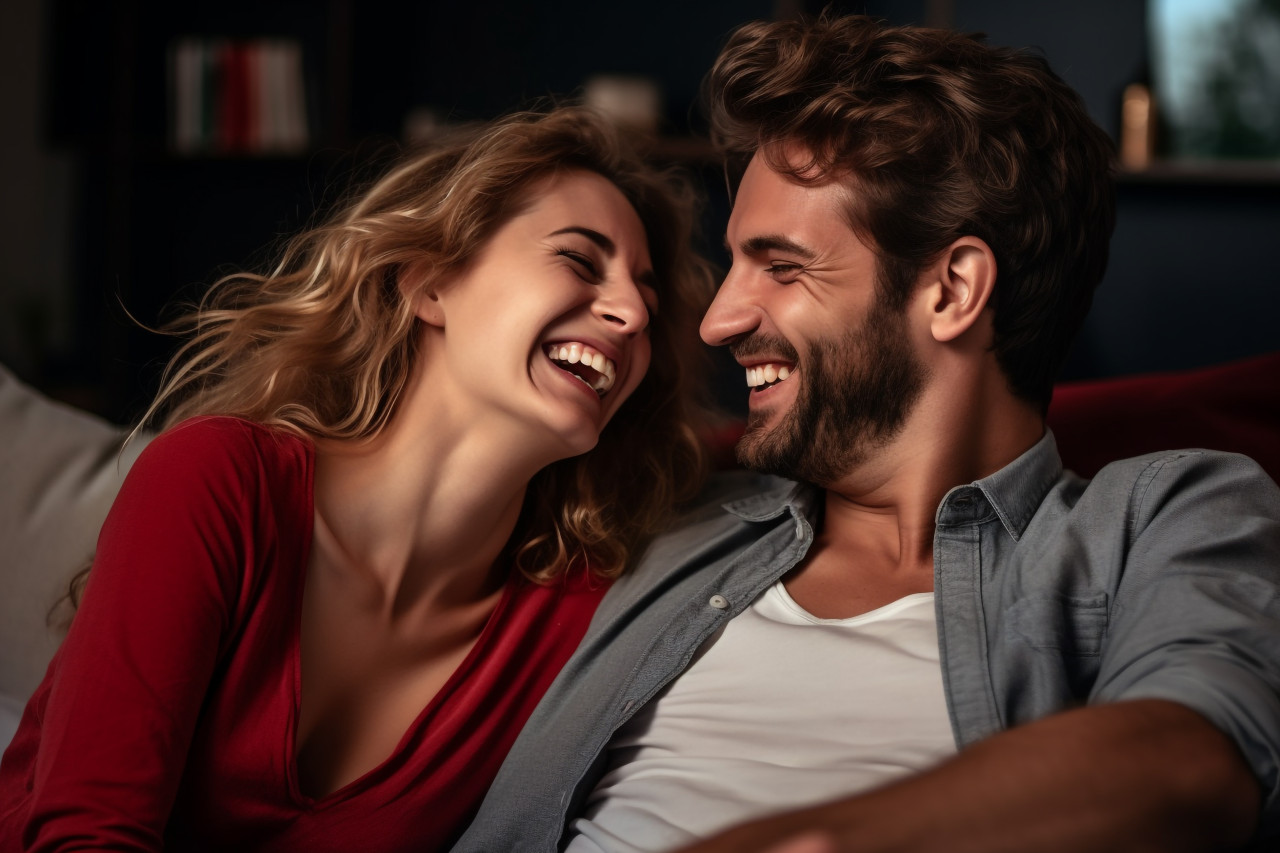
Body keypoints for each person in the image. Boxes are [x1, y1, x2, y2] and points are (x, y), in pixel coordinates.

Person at [453, 14, 1280, 853]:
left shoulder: (1165, 516)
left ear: (952, 290)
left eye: (781, 267)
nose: (718, 321)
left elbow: (1194, 759)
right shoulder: (669, 511)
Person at [0, 106, 715, 851]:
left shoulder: (573, 606)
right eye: (578, 258)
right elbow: (85, 835)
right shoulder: (217, 481)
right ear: (430, 282)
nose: (632, 312)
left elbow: (768, 451)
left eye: (647, 297)